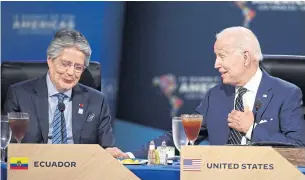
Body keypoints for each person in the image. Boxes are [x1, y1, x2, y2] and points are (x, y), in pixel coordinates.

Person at [130, 26, 305, 158]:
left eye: (222, 56)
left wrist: (251, 129)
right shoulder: (215, 95)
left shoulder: (286, 94)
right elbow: (183, 136)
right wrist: (131, 157)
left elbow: (298, 148)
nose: (216, 64)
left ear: (245, 57)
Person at [4, 28, 128, 158]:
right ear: (50, 60)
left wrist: (111, 153)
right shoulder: (20, 95)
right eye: (65, 64)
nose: (70, 72)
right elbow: (9, 150)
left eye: (78, 67)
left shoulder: (96, 101)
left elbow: (107, 147)